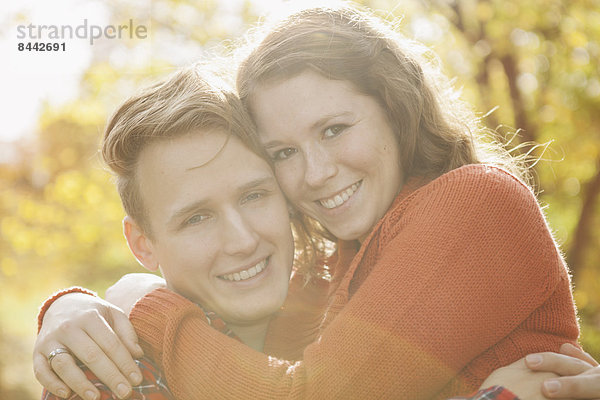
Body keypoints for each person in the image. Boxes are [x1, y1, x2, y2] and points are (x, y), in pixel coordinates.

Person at [34, 4, 600, 400]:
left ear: (395, 107)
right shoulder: (333, 268)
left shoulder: (476, 203)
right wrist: (71, 305)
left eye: (333, 129)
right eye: (282, 152)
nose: (316, 172)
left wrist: (146, 305)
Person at [38, 65, 296, 399]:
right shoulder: (113, 378)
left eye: (253, 196)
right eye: (197, 218)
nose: (243, 241)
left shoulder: (351, 310)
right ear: (142, 245)